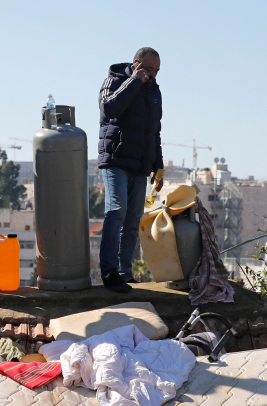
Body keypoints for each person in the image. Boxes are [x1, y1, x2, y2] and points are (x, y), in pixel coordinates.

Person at [97, 47, 164, 292]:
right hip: (116, 161)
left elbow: (154, 131)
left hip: (140, 166)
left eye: (157, 71)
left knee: (133, 221)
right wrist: (134, 81)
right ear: (136, 64)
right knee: (116, 211)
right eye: (149, 69)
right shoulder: (114, 80)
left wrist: (158, 165)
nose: (153, 75)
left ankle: (125, 273)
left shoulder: (154, 91)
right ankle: (109, 271)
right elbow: (109, 109)